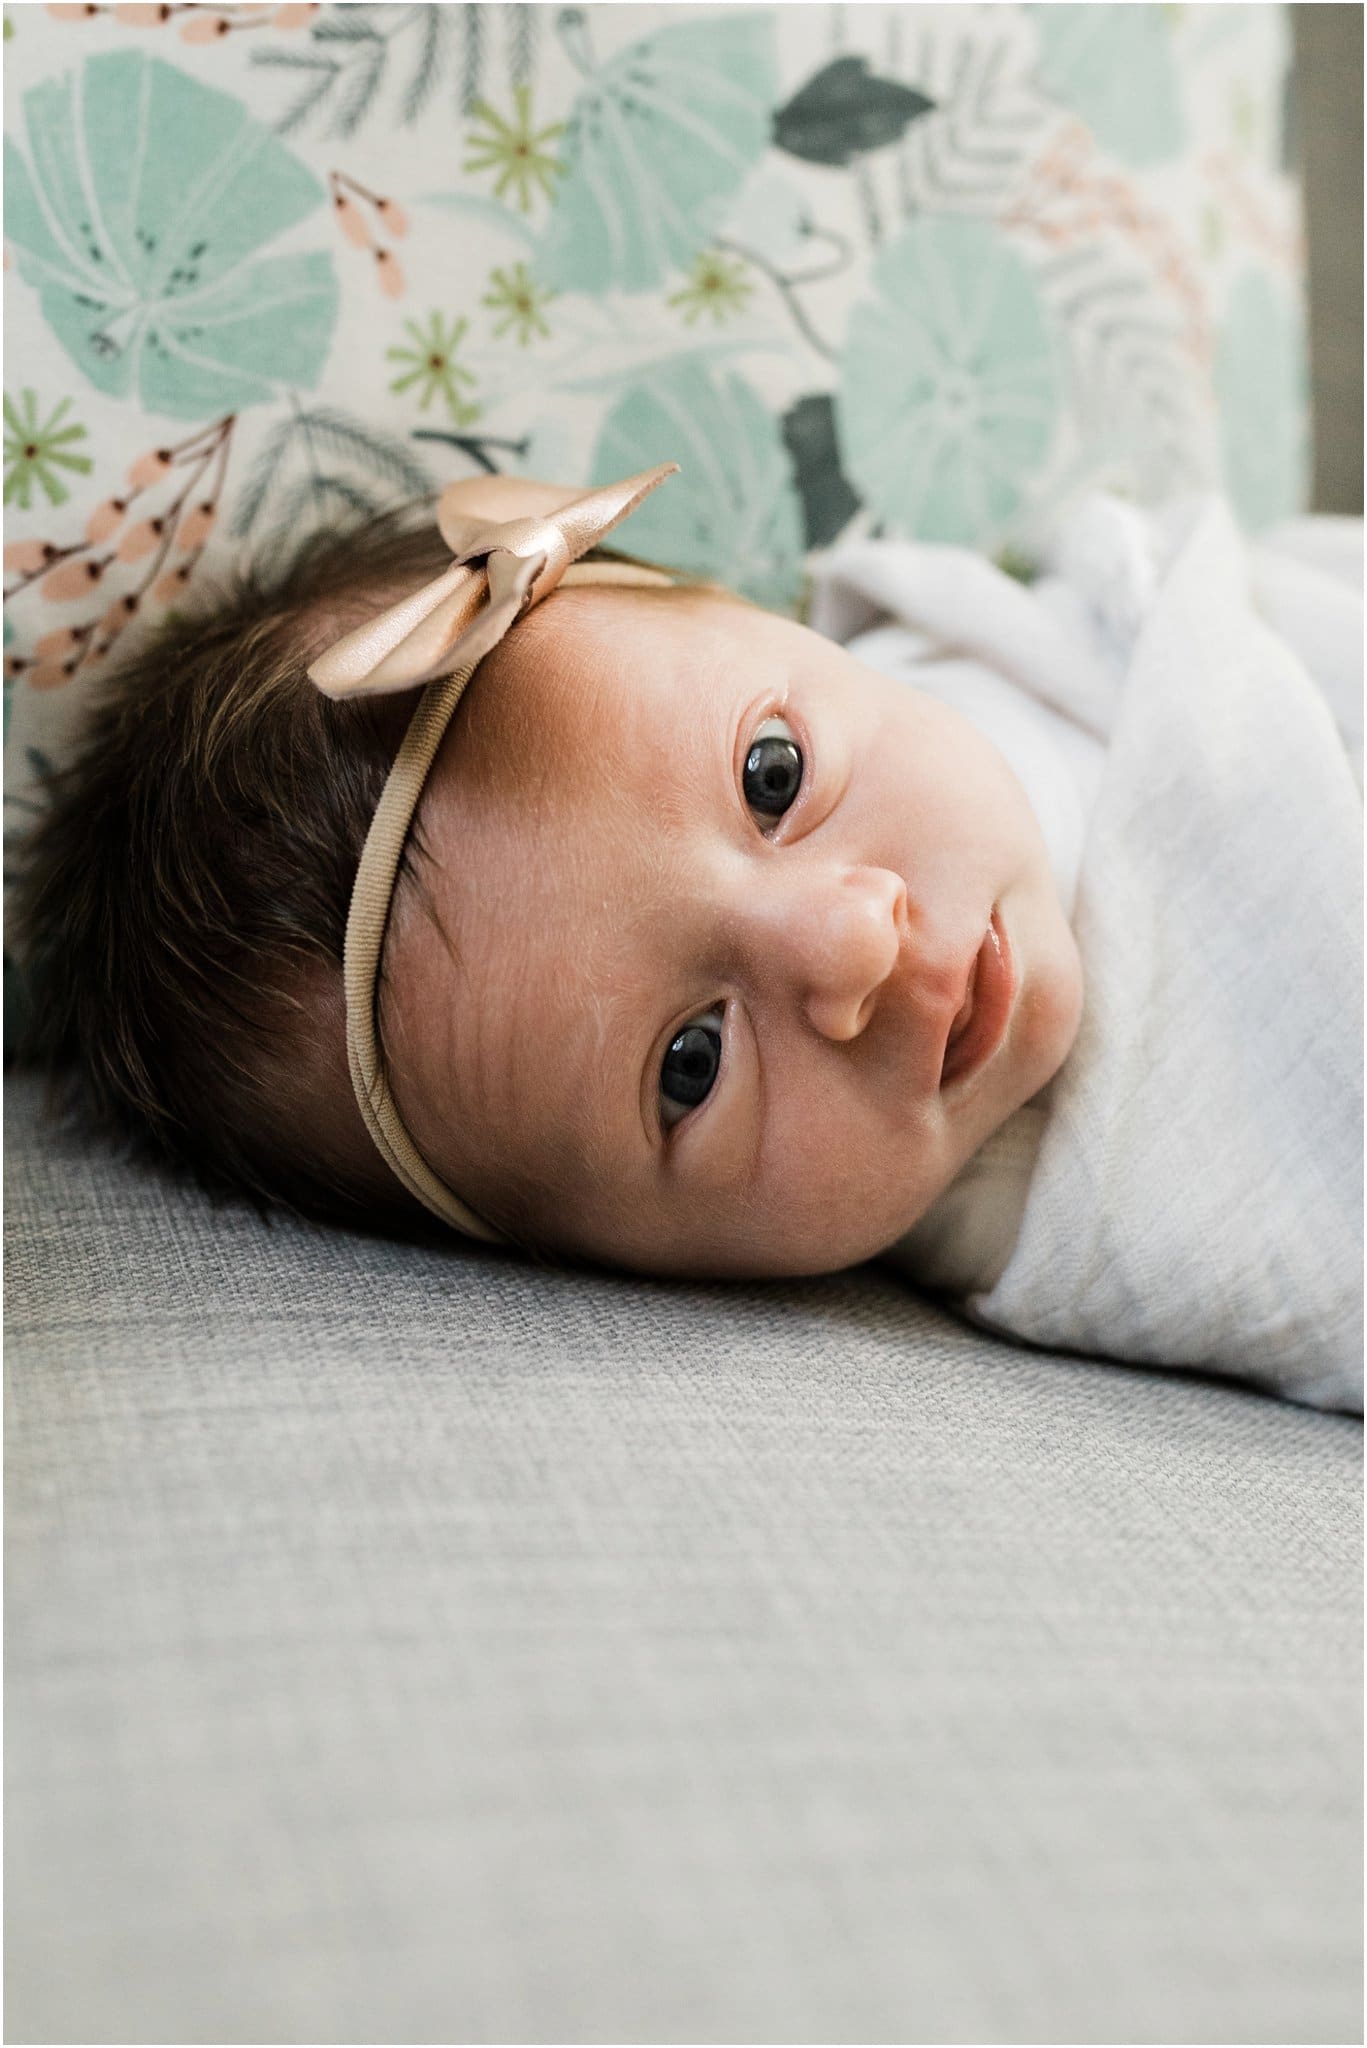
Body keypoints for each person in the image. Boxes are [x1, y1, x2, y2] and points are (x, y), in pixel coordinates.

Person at [12, 463, 1362, 1413]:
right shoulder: (1129, 1217)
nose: (851, 946)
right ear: (613, 1265)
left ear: (745, 610)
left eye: (773, 778)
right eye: (691, 1066)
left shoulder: (981, 628)